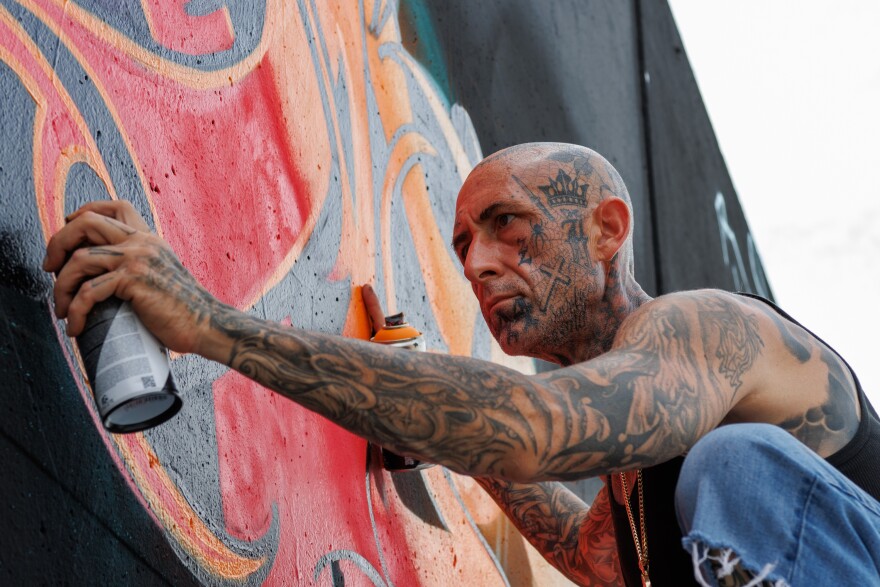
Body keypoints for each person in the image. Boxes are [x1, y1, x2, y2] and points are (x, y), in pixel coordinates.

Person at [44, 143, 880, 586]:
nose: (477, 262)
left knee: (738, 468)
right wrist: (442, 433)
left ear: (606, 229)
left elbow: (529, 429)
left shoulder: (704, 330)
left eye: (508, 223)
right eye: (462, 243)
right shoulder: (641, 459)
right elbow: (599, 562)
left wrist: (207, 323)